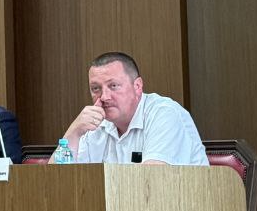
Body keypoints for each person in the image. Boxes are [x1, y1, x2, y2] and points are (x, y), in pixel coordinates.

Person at [63, 52, 206, 165]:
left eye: (113, 86)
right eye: (96, 88)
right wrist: (73, 132)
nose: (104, 97)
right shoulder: (96, 124)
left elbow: (151, 182)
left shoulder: (164, 114)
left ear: (137, 86)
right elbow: (57, 179)